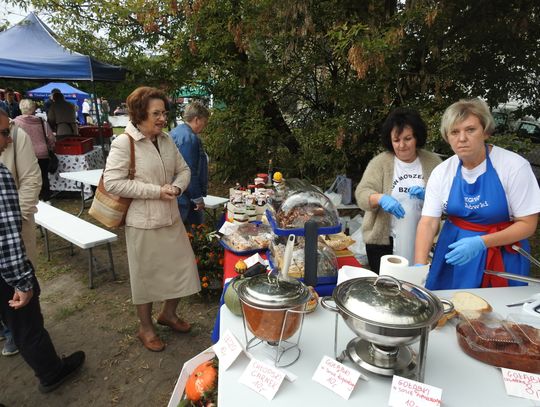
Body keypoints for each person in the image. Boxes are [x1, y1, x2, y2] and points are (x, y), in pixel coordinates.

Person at [103, 86, 200, 352]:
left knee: (181, 269)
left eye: (164, 113)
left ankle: (168, 314)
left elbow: (184, 170)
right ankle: (145, 328)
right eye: (155, 113)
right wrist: (157, 191)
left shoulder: (167, 140)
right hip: (142, 222)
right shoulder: (125, 142)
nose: (162, 118)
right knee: (145, 279)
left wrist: (178, 188)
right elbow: (113, 182)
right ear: (139, 113)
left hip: (170, 218)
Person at [0, 112, 85, 393]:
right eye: (2, 134)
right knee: (27, 323)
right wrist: (23, 281)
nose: (7, 139)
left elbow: (30, 182)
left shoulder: (17, 138)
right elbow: (7, 238)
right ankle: (51, 372)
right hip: (7, 269)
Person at [415, 98, 540, 289]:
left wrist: (482, 243)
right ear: (447, 137)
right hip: (454, 252)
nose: (462, 138)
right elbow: (428, 222)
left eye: (470, 129)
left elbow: (527, 224)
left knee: (500, 315)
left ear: (486, 131)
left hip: (503, 254)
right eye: (454, 132)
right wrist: (419, 266)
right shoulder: (442, 172)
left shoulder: (513, 167)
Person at [355, 108, 442, 273]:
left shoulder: (433, 162)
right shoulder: (380, 163)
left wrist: (430, 196)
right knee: (387, 288)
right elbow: (362, 194)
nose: (402, 145)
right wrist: (380, 198)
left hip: (424, 240)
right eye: (396, 140)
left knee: (417, 285)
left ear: (417, 137)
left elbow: (448, 198)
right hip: (383, 243)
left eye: (408, 139)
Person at [170, 101, 210, 227]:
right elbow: (189, 171)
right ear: (197, 119)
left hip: (178, 192)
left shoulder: (176, 131)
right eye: (205, 121)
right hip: (185, 197)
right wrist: (197, 197)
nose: (205, 125)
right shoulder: (189, 139)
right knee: (193, 230)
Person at [14, 99, 56, 201]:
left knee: (27, 178)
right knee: (43, 177)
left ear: (21, 108)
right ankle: (45, 199)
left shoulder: (15, 123)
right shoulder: (42, 121)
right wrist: (50, 147)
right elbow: (51, 138)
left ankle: (30, 199)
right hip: (42, 153)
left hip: (24, 155)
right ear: (34, 109)